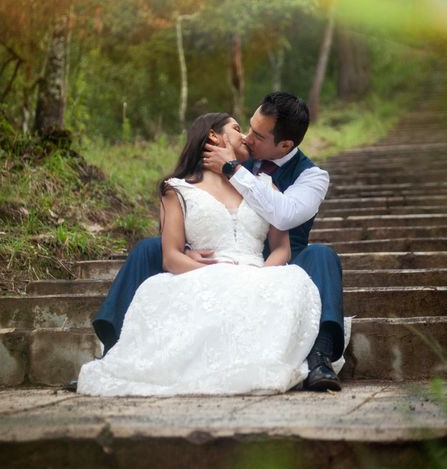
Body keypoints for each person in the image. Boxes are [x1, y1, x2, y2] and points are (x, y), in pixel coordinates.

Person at [92, 92, 345, 392]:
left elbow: (284, 214)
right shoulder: (238, 157)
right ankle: (115, 353)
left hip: (279, 261)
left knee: (322, 256)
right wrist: (189, 249)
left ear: (285, 145)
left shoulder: (310, 176)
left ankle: (320, 356)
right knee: (149, 248)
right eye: (247, 127)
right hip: (216, 256)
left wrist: (232, 170)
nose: (248, 138)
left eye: (258, 135)